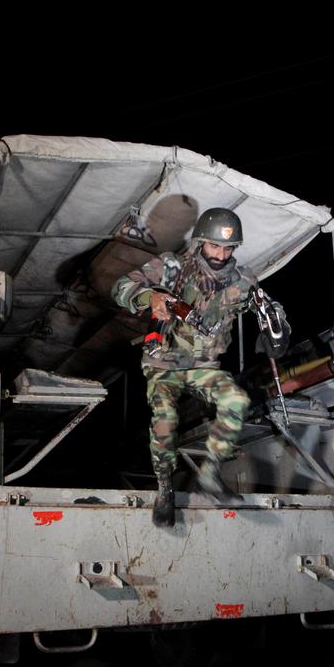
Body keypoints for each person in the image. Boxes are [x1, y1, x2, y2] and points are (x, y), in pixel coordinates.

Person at [112, 207, 269, 528]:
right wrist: (149, 297)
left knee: (235, 401)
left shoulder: (243, 280)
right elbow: (121, 287)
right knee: (165, 423)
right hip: (165, 361)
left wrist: (275, 319)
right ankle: (165, 489)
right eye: (214, 247)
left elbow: (263, 305)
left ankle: (210, 475)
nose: (221, 255)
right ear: (201, 242)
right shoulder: (173, 266)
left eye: (228, 248)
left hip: (203, 364)